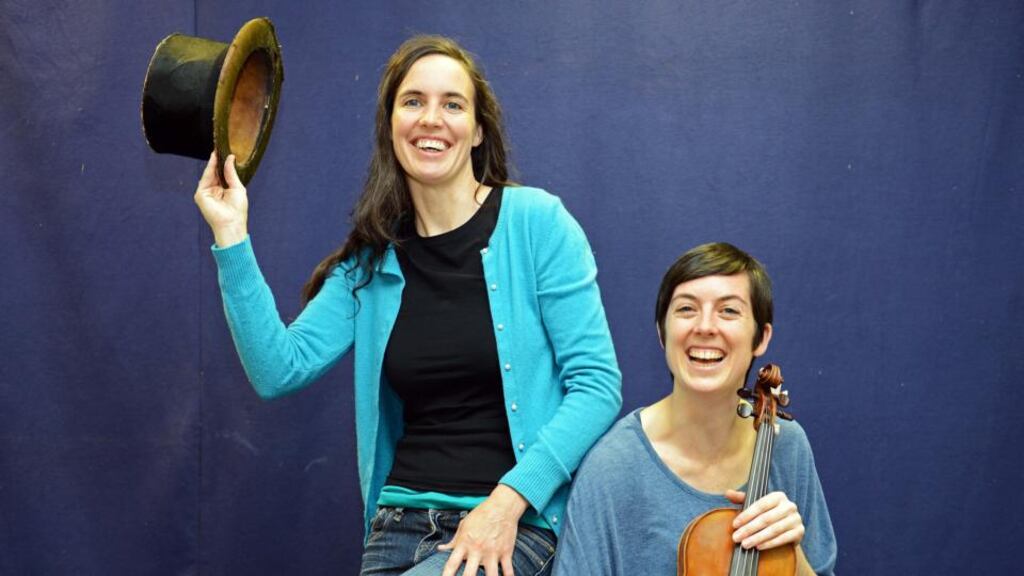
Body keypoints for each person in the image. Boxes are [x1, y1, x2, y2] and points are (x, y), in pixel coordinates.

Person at [193, 35, 621, 576]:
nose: (431, 119)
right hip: (395, 530)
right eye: (413, 101)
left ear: (478, 130)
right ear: (390, 126)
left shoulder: (537, 224)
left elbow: (596, 385)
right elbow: (278, 368)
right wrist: (231, 234)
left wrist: (509, 501)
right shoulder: (372, 261)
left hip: (510, 530)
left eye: (453, 104)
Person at [552, 243, 836, 575]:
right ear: (662, 332)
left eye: (729, 311)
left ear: (761, 338)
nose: (704, 327)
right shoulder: (612, 468)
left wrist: (794, 557)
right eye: (687, 309)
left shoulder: (785, 444)